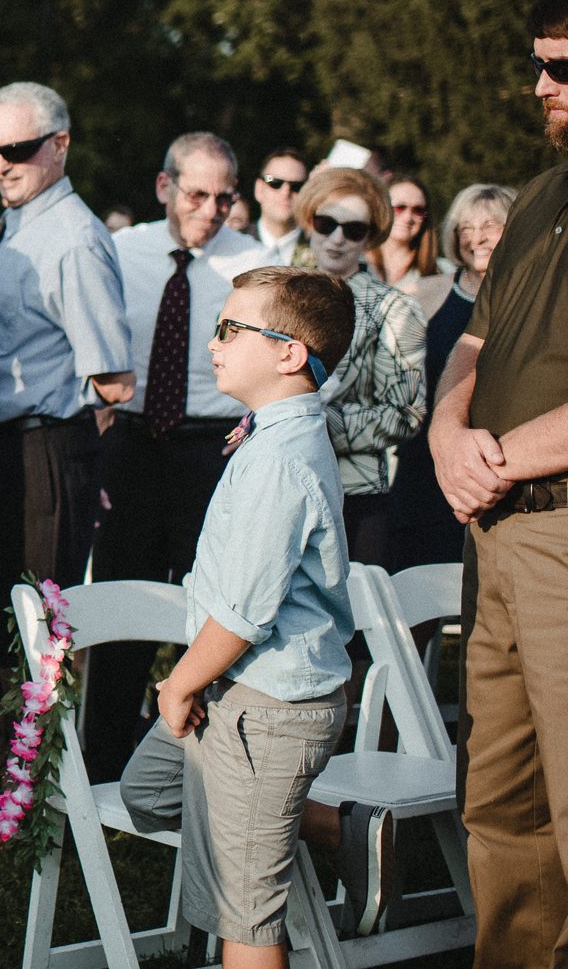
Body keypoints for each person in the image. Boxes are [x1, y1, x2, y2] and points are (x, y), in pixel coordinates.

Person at [120, 266, 398, 964]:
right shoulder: (272, 433)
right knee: (148, 790)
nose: (212, 343)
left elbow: (247, 612)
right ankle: (334, 831)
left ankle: (266, 831)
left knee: (244, 915)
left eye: (229, 329)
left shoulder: (281, 458)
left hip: (264, 706)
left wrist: (178, 684)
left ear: (288, 353)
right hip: (235, 692)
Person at [0, 81, 132, 839]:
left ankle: (31, 803)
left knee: (35, 635)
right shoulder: (20, 221)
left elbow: (112, 379)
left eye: (16, 149)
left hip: (47, 451)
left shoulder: (74, 236)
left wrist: (86, 474)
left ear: (60, 145)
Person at [429, 0, 568, 965]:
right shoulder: (535, 195)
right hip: (496, 530)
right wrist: (445, 429)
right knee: (499, 801)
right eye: (534, 62)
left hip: (558, 526)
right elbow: (472, 342)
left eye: (557, 66)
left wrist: (501, 458)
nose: (535, 86)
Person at [85, 133, 268, 780]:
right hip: (131, 445)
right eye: (196, 194)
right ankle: (104, 764)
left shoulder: (254, 262)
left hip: (211, 451)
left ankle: (203, 768)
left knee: (212, 611)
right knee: (117, 603)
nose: (210, 210)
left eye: (224, 197)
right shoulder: (120, 250)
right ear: (164, 188)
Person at [296, 166, 427, 568]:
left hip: (354, 494)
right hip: (281, 485)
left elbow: (406, 413)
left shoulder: (396, 308)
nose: (337, 239)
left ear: (370, 236)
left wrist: (315, 423)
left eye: (353, 230)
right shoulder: (279, 294)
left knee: (352, 626)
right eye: (326, 223)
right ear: (309, 221)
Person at [386, 183, 517, 571]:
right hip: (425, 467)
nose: (476, 238)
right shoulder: (423, 294)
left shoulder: (533, 297)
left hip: (501, 465)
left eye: (490, 226)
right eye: (464, 228)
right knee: (413, 593)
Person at [369, 175, 454, 319]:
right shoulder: (354, 262)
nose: (408, 217)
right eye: (399, 208)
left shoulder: (443, 272)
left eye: (418, 210)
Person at [250, 148, 311, 266]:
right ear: (259, 189)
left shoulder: (323, 252)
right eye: (275, 183)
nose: (285, 192)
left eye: (296, 186)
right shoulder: (231, 245)